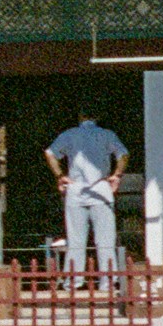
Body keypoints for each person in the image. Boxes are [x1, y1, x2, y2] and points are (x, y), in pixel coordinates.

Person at [44, 111, 130, 275]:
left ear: (80, 117)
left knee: (76, 241)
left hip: (76, 189)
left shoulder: (69, 134)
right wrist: (117, 175)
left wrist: (60, 176)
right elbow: (124, 154)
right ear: (96, 117)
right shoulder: (106, 134)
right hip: (101, 189)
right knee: (105, 241)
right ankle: (108, 281)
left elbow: (50, 153)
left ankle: (73, 282)